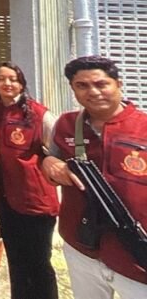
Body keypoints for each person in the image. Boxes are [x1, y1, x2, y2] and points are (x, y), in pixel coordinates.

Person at [42, 56, 147, 298]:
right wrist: (49, 163)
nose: (93, 92)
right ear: (73, 89)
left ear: (118, 84)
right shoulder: (66, 124)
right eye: (82, 86)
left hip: (134, 252)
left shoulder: (142, 127)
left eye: (101, 84)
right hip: (82, 247)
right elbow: (51, 159)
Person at [0, 62, 59, 299]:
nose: (7, 83)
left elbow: (58, 151)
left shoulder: (39, 114)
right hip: (5, 200)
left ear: (21, 83)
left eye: (13, 79)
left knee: (39, 263)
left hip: (35, 200)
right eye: (1, 79)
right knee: (16, 261)